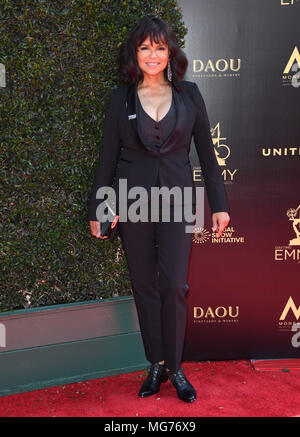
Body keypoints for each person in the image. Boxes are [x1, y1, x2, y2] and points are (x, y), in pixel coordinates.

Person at [88, 15, 230, 403]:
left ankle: (176, 367)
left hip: (179, 201)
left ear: (171, 53)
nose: (153, 55)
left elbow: (207, 154)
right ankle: (155, 364)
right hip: (132, 203)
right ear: (135, 54)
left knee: (174, 286)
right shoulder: (121, 99)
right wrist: (98, 208)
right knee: (144, 286)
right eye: (145, 47)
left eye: (160, 47)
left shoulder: (190, 95)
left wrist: (219, 206)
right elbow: (106, 160)